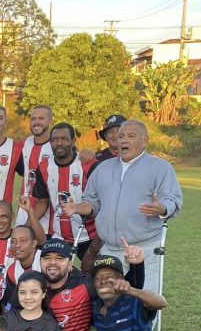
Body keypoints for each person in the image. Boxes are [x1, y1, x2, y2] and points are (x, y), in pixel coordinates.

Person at [69, 119, 182, 295]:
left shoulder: (160, 167)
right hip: (110, 248)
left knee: (144, 300)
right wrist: (77, 208)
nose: (123, 140)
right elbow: (92, 202)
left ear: (145, 140)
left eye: (131, 136)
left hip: (144, 247)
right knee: (109, 297)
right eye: (121, 136)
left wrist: (161, 208)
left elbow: (173, 199)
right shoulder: (102, 169)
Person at [30, 122, 100, 262]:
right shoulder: (43, 168)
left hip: (89, 235)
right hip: (59, 236)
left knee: (93, 275)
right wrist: (26, 227)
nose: (59, 143)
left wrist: (99, 240)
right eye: (54, 140)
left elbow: (103, 201)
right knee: (54, 275)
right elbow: (42, 202)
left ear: (73, 140)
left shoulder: (88, 165)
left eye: (64, 139)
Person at [19, 105, 54, 220]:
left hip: (51, 214)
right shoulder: (26, 143)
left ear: (50, 122)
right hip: (25, 208)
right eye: (33, 119)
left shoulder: (58, 146)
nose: (36, 122)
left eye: (41, 118)